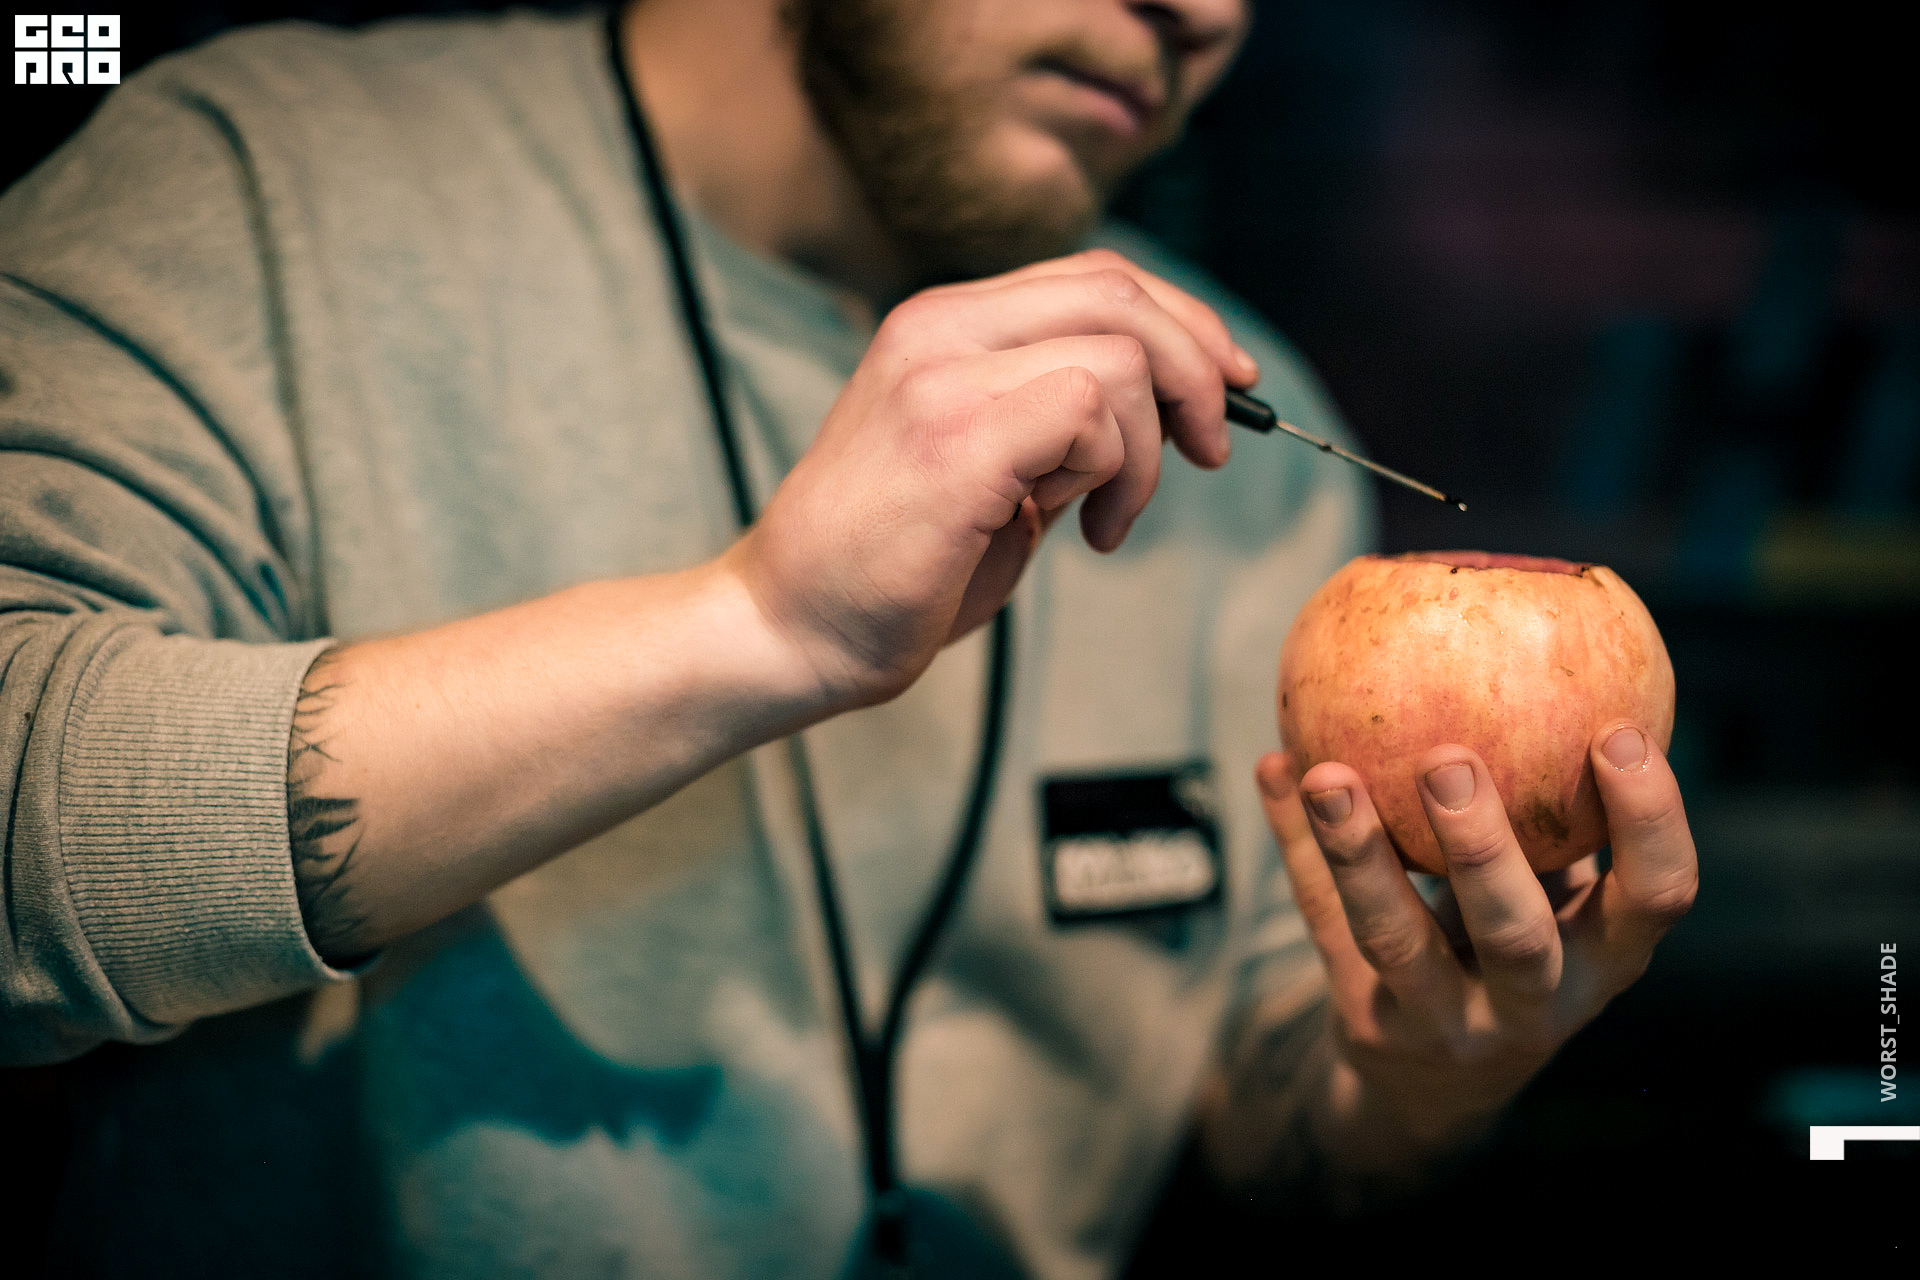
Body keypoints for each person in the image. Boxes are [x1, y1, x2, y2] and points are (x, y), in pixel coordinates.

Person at [0, 1, 1698, 1276]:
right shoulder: (260, 188)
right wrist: (753, 628)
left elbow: (1263, 1112)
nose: (1205, 12)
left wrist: (1416, 1081)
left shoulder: (1233, 436)